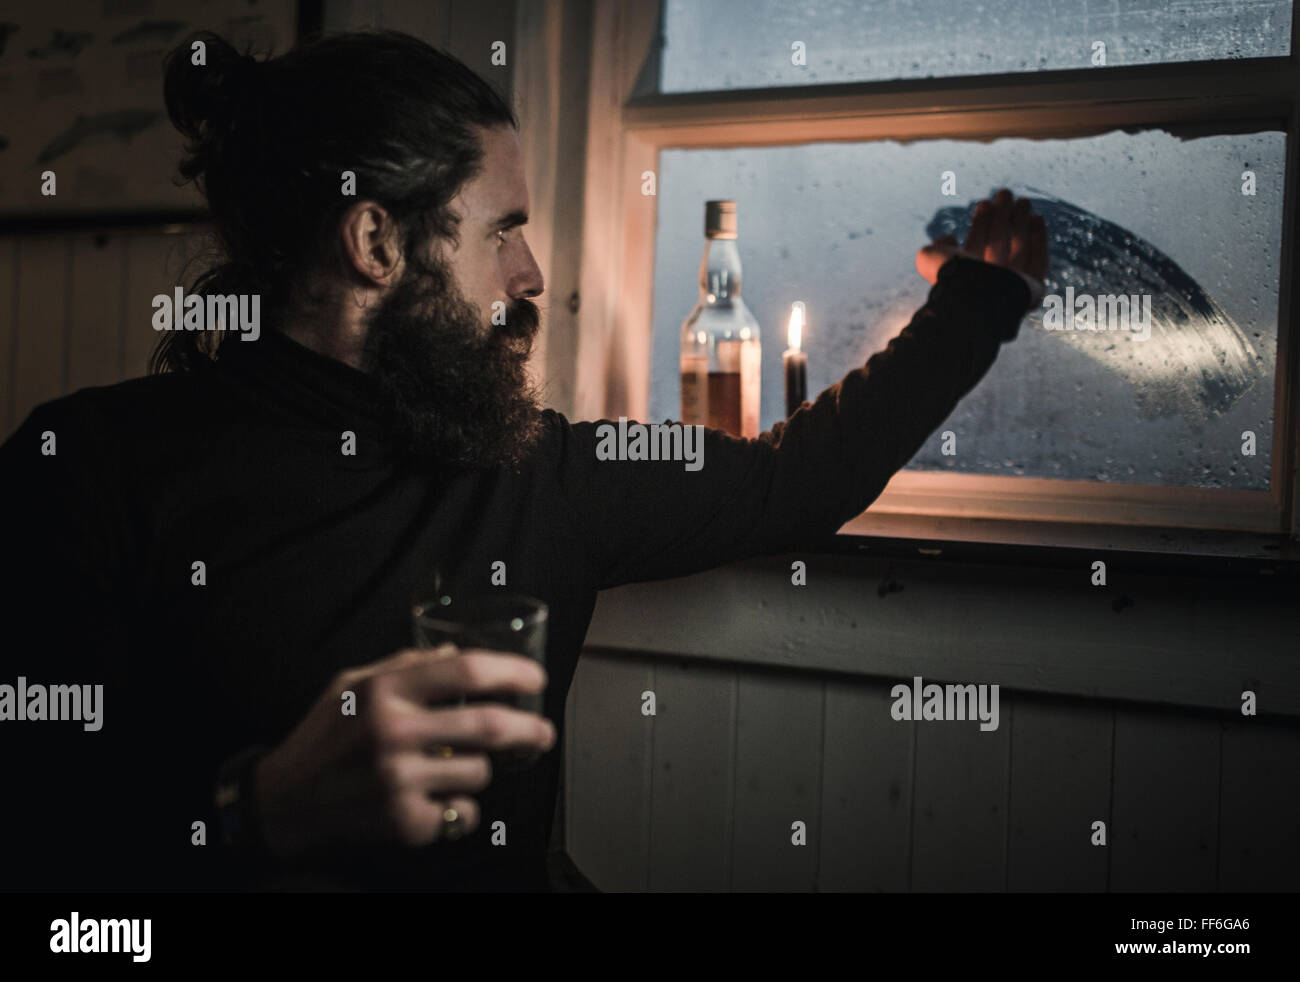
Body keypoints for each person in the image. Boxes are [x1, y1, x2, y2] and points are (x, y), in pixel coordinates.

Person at [0, 30, 1047, 893]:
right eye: (502, 230)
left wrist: (973, 301)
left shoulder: (544, 473)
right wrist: (254, 811)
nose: (532, 272)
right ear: (376, 242)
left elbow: (794, 477)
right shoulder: (85, 470)